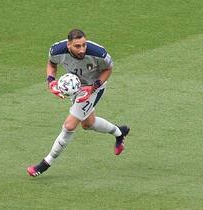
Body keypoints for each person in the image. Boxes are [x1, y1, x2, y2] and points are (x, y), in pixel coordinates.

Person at [27, 29, 130, 177]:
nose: (82, 49)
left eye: (84, 45)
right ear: (69, 45)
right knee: (88, 124)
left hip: (94, 87)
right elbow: (51, 64)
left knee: (69, 125)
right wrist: (51, 81)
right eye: (77, 46)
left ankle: (44, 164)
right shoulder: (56, 51)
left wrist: (92, 88)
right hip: (76, 87)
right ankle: (119, 133)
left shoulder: (98, 52)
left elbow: (108, 69)